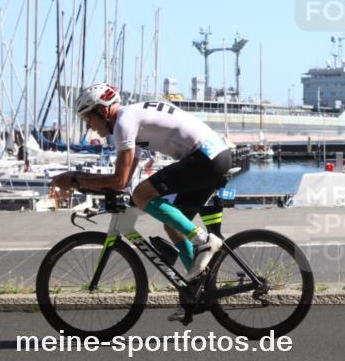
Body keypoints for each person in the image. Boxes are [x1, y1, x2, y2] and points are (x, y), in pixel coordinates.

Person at [50, 83, 231, 319]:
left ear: (102, 112)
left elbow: (119, 180)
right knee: (172, 224)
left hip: (205, 157)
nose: (88, 126)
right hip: (214, 155)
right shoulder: (130, 119)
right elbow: (124, 181)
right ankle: (196, 288)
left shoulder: (124, 123)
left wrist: (73, 180)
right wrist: (89, 184)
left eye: (87, 118)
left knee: (143, 195)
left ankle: (202, 241)